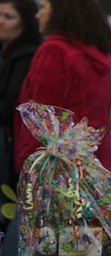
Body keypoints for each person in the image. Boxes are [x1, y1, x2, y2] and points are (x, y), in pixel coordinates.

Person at [14, 0, 111, 174]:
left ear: (60, 11)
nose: (37, 14)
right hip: (95, 165)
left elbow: (41, 119)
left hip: (57, 171)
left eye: (44, 7)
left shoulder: (55, 50)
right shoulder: (99, 52)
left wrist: (27, 165)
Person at [0, 0, 42, 232]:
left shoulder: (30, 55)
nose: (1, 22)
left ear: (25, 22)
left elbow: (12, 107)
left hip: (15, 148)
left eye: (9, 16)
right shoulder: (6, 52)